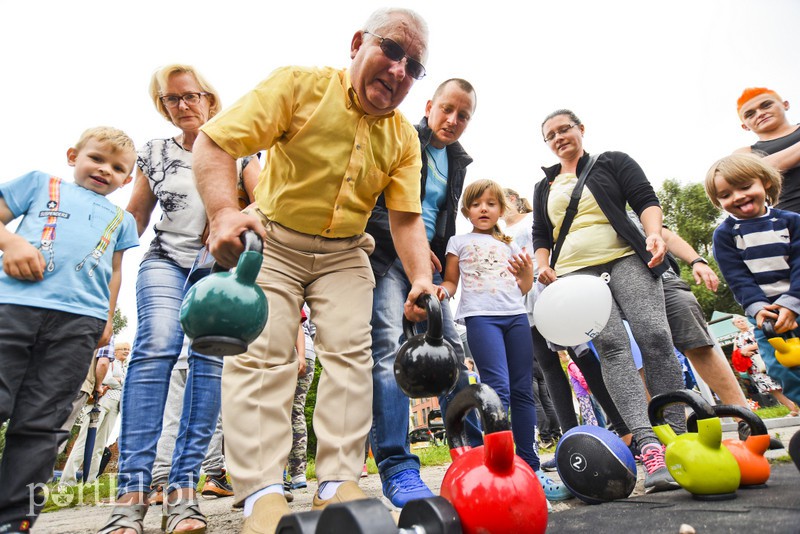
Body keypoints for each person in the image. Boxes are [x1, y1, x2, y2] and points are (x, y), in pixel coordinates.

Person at [191, 8, 436, 533]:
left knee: (352, 355)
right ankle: (261, 493)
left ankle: (336, 483)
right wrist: (223, 213)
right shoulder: (297, 86)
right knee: (265, 356)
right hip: (273, 240)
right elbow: (214, 142)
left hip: (346, 252)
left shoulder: (404, 138)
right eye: (392, 50)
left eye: (413, 66)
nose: (399, 70)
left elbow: (406, 218)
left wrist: (421, 278)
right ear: (357, 43)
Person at [98, 64, 260, 534]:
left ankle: (183, 493)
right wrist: (93, 246)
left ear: (209, 99)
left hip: (217, 269)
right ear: (163, 106)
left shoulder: (240, 147)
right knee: (156, 346)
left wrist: (232, 215)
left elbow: (265, 201)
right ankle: (131, 494)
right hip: (165, 261)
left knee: (207, 361)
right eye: (172, 99)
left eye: (191, 95)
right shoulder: (153, 152)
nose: (183, 105)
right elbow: (136, 216)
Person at [533, 109, 686, 493]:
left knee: (655, 336)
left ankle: (678, 437)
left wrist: (654, 234)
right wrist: (542, 264)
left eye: (564, 129)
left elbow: (645, 199)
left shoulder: (612, 161)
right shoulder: (544, 186)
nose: (558, 137)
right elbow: (541, 233)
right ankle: (648, 446)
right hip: (576, 274)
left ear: (581, 129)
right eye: (550, 135)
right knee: (613, 349)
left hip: (626, 258)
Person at [0, 126, 138, 533]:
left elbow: (115, 270)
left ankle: (14, 519)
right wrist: (11, 244)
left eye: (117, 168)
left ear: (127, 179)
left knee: (43, 421)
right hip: (15, 309)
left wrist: (108, 319)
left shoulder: (123, 219)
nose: (105, 170)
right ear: (73, 155)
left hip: (80, 324)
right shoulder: (39, 184)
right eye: (97, 158)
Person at [365, 77, 481, 509]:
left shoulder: (457, 160)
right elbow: (373, 204)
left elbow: (443, 220)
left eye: (463, 115)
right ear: (429, 105)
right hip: (386, 259)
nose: (452, 120)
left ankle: (471, 454)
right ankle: (397, 466)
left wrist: (434, 263)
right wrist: (411, 250)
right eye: (447, 109)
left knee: (451, 353)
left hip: (427, 269)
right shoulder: (400, 136)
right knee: (387, 351)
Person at [440, 179, 571, 502]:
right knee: (497, 389)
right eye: (476, 204)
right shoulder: (458, 242)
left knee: (523, 390)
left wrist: (526, 273)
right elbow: (451, 282)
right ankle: (499, 464)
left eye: (490, 204)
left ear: (501, 209)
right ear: (466, 211)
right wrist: (441, 291)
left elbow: (524, 288)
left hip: (516, 318)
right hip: (480, 318)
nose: (483, 209)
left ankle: (531, 465)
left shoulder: (510, 244)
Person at [704, 153, 800, 406]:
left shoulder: (791, 222)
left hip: (797, 302)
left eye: (745, 187)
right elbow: (737, 277)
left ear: (765, 182)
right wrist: (757, 308)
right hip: (765, 315)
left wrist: (792, 302)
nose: (738, 197)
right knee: (779, 368)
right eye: (726, 195)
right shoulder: (725, 235)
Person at [502, 188, 561, 449]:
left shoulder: (532, 221)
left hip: (548, 286)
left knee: (580, 355)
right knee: (547, 365)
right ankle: (564, 435)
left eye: (499, 202)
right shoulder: (501, 234)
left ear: (513, 200)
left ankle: (621, 429)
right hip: (524, 299)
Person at [148, 338, 233, 506]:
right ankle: (214, 475)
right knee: (211, 418)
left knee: (171, 422)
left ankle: (161, 483)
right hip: (205, 354)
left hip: (171, 358)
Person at [60, 340, 130, 487]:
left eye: (128, 349)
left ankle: (90, 481)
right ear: (115, 351)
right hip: (100, 402)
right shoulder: (111, 362)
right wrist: (121, 381)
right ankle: (67, 481)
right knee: (84, 441)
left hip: (115, 406)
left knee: (100, 445)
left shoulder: (124, 367)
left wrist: (119, 381)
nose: (126, 351)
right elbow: (106, 378)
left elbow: (120, 383)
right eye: (123, 349)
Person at [735, 87, 800, 213]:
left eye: (766, 105)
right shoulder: (745, 152)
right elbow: (756, 172)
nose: (760, 113)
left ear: (785, 105)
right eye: (750, 114)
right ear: (745, 126)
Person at [732, 315, 799, 415]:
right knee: (770, 387)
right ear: (735, 325)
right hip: (755, 366)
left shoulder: (755, 330)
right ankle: (792, 408)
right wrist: (743, 352)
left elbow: (764, 341)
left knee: (784, 381)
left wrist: (748, 348)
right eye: (738, 322)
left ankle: (797, 403)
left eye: (742, 320)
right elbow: (736, 352)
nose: (741, 323)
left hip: (767, 358)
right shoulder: (737, 338)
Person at [58, 342, 113, 454]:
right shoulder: (105, 333)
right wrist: (98, 386)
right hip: (80, 385)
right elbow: (103, 363)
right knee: (60, 429)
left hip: (52, 381)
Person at [287, 305, 317, 491]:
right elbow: (314, 330)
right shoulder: (310, 300)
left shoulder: (291, 294)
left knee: (280, 412)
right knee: (297, 411)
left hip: (293, 351)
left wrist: (300, 354)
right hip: (309, 352)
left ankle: (282, 473)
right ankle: (298, 474)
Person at [561, 351, 600, 426]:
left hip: (583, 392)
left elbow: (580, 377)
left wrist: (586, 387)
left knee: (588, 413)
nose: (561, 359)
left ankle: (592, 428)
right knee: (588, 411)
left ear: (566, 355)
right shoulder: (572, 364)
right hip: (582, 392)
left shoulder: (571, 365)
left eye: (561, 356)